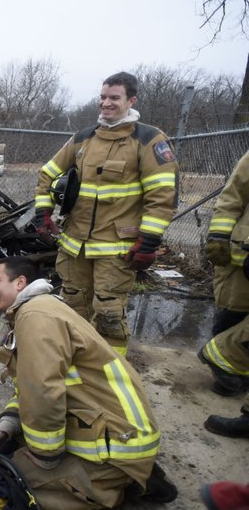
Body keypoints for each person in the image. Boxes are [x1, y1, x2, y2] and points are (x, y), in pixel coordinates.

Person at [0, 256, 177, 510]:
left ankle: (124, 483)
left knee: (6, 487)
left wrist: (44, 456)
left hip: (119, 442)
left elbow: (43, 392)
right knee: (6, 456)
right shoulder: (39, 309)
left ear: (20, 282)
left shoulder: (35, 317)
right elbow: (29, 389)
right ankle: (125, 472)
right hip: (109, 425)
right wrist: (8, 426)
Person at [34, 71, 178, 356]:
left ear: (131, 100)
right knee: (72, 305)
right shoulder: (84, 138)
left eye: (114, 98)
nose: (106, 103)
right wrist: (43, 213)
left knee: (109, 313)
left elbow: (162, 197)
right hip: (75, 246)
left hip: (116, 250)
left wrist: (148, 242)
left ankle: (110, 373)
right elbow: (47, 173)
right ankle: (74, 362)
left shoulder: (148, 140)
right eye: (103, 97)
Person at [200, 150, 249, 437]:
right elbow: (231, 198)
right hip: (241, 259)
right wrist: (219, 237)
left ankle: (228, 368)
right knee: (231, 313)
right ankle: (228, 374)